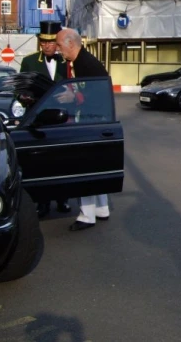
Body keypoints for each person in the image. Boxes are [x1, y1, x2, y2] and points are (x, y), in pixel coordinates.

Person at [55, 27, 112, 232]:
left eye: (60, 45)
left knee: (84, 168)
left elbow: (96, 95)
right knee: (95, 166)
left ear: (71, 43)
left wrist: (74, 98)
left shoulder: (85, 64)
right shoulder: (82, 61)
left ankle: (87, 215)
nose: (59, 49)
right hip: (97, 123)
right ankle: (101, 208)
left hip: (91, 123)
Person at [20, 20, 72, 219]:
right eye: (43, 42)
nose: (47, 46)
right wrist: (23, 97)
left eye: (50, 42)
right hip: (38, 120)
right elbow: (20, 89)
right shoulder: (29, 61)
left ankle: (63, 199)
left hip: (61, 119)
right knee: (40, 162)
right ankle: (42, 202)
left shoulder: (66, 61)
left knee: (62, 161)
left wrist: (71, 95)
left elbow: (77, 87)